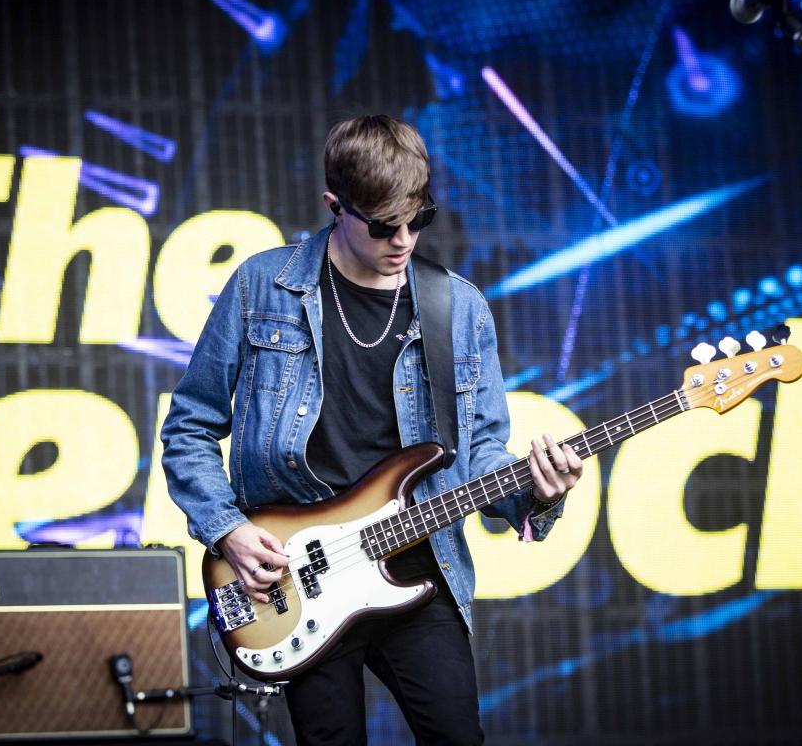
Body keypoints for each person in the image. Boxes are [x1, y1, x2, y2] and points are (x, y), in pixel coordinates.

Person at [162, 114, 583, 745]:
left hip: (421, 563)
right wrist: (229, 529)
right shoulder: (262, 286)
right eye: (385, 226)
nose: (405, 239)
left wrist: (541, 492)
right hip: (296, 575)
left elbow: (483, 453)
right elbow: (189, 427)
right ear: (335, 206)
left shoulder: (457, 307)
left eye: (420, 219)